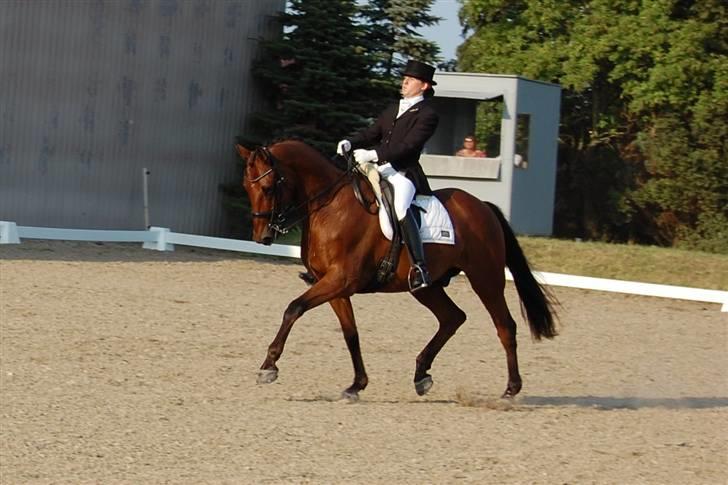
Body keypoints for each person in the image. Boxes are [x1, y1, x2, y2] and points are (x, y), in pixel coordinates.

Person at [337, 60, 439, 292]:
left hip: (403, 172)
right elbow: (372, 132)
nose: (404, 82)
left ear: (423, 86)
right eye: (404, 78)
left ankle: (419, 268)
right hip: (380, 168)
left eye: (410, 79)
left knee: (400, 207)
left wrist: (373, 153)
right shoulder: (394, 108)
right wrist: (350, 142)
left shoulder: (427, 114)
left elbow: (409, 146)